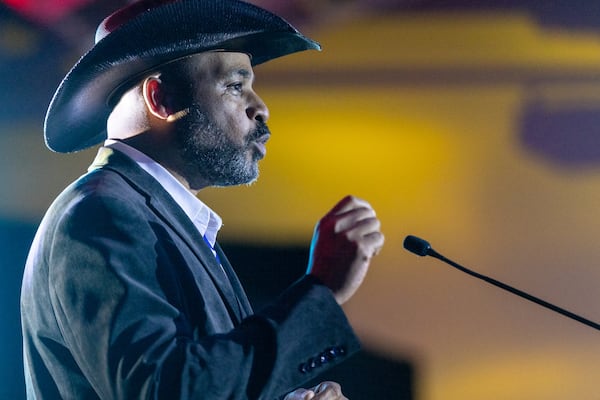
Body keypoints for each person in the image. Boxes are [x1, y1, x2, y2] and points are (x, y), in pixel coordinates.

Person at [20, 0, 384, 399]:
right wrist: (321, 292)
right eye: (234, 85)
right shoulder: (101, 213)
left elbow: (198, 381)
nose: (260, 108)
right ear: (161, 99)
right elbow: (164, 391)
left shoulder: (157, 219)